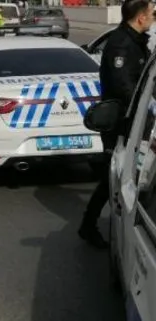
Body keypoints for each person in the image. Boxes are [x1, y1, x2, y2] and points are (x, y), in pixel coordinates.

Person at [78, 0, 154, 249]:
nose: (154, 18)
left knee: (119, 175)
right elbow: (125, 88)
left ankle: (94, 225)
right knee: (116, 175)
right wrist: (146, 108)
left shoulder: (135, 41)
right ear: (141, 18)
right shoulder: (122, 44)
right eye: (152, 14)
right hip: (121, 122)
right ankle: (96, 226)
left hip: (132, 120)